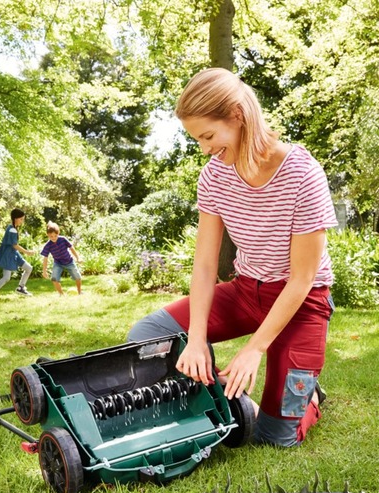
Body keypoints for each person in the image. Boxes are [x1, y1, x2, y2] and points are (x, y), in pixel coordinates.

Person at [127, 68, 338, 447]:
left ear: (238, 117)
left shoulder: (303, 174)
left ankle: (311, 397)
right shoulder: (213, 177)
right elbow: (206, 266)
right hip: (246, 292)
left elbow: (303, 279)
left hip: (301, 303)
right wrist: (194, 340)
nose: (206, 148)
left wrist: (254, 349)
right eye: (198, 140)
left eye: (208, 136)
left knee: (275, 438)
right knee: (148, 336)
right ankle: (209, 397)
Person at [0, 208, 36, 299]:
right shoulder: (12, 230)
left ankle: (20, 288)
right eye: (21, 219)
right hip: (8, 255)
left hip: (14, 253)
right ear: (15, 219)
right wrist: (27, 252)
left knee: (28, 268)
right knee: (6, 277)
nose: (22, 221)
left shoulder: (12, 228)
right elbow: (14, 245)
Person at [40, 221, 82, 295]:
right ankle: (61, 294)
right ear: (48, 235)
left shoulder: (63, 239)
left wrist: (78, 258)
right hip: (58, 263)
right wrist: (44, 271)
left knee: (78, 277)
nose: (53, 238)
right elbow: (45, 258)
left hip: (69, 261)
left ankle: (80, 292)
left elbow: (71, 248)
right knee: (54, 279)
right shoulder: (48, 245)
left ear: (58, 233)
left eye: (55, 236)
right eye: (51, 236)